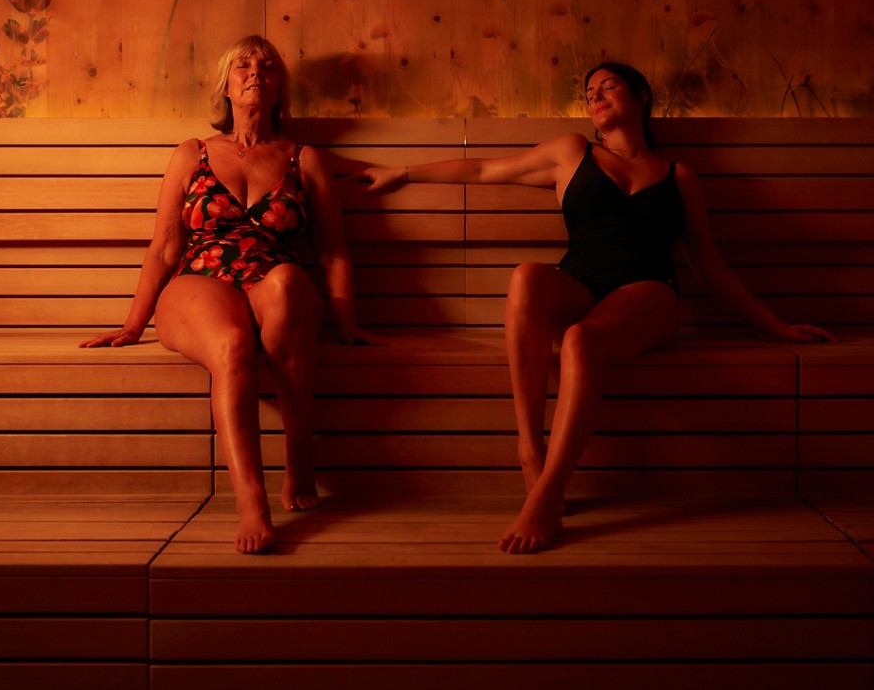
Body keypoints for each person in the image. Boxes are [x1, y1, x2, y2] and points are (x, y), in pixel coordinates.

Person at [353, 61, 835, 554]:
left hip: (649, 292)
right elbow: (482, 168)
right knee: (525, 276)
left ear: (642, 98)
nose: (596, 96)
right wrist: (402, 172)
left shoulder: (679, 176)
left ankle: (546, 496)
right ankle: (529, 447)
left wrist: (776, 326)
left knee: (583, 339)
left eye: (609, 87)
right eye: (589, 93)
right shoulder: (572, 152)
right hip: (581, 283)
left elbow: (712, 269)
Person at [81, 34, 382, 554]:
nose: (254, 73)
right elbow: (163, 248)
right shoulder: (192, 153)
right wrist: (133, 324)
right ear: (225, 83)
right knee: (234, 347)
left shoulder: (304, 159)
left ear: (278, 87)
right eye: (242, 65)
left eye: (266, 66)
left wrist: (346, 322)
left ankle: (299, 457)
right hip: (202, 282)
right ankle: (252, 504)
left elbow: (332, 252)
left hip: (272, 281)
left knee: (289, 280)